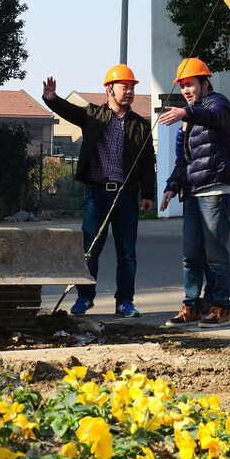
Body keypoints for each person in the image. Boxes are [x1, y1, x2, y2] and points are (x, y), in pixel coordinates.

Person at [43, 64, 156, 318]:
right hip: (97, 194)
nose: (129, 91)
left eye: (132, 87)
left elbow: (148, 161)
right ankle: (84, 297)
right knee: (90, 250)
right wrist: (51, 100)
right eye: (124, 86)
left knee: (127, 254)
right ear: (109, 89)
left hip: (125, 196)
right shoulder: (94, 116)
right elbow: (70, 111)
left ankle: (124, 302)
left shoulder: (140, 125)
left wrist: (147, 194)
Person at [158, 57, 230, 325]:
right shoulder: (191, 114)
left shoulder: (219, 103)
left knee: (215, 256)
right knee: (191, 257)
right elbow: (185, 159)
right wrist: (172, 186)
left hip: (215, 192)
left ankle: (220, 308)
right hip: (192, 193)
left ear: (205, 82)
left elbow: (217, 117)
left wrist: (186, 113)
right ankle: (192, 307)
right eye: (182, 87)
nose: (186, 91)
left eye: (190, 84)